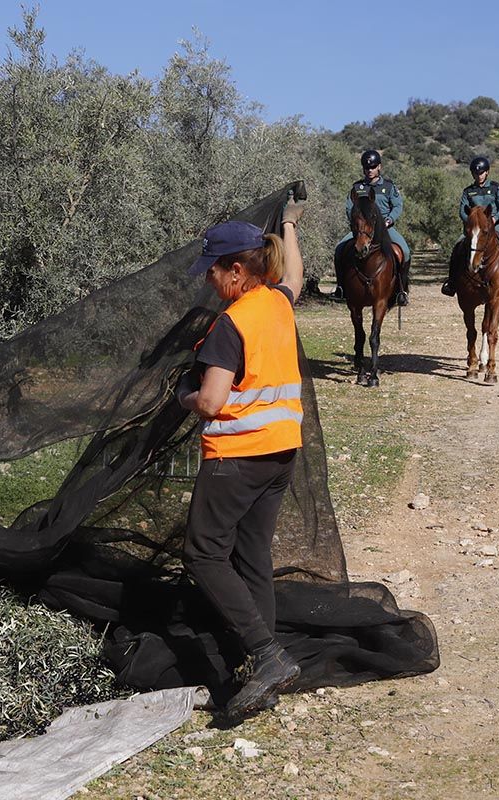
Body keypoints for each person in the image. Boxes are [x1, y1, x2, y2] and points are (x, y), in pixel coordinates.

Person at [175, 195, 306, 718]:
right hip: (281, 454)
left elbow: (210, 400)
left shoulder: (231, 324)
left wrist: (181, 396)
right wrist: (291, 227)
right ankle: (266, 664)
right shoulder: (276, 302)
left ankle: (266, 654)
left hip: (237, 454)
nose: (208, 279)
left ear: (236, 270)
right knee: (253, 556)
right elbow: (294, 274)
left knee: (203, 553)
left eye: (212, 270)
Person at [333, 149, 412, 305]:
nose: (370, 170)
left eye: (373, 167)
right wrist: (357, 225)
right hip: (362, 230)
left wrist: (389, 220)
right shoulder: (357, 187)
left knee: (406, 252)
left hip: (385, 228)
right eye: (367, 167)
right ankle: (341, 287)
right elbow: (349, 207)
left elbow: (397, 206)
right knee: (339, 249)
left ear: (379, 167)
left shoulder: (389, 187)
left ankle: (401, 291)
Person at [442, 155, 499, 297]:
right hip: (474, 228)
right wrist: (470, 222)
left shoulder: (496, 188)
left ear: (487, 172)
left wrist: (495, 218)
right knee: (457, 247)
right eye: (475, 173)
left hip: (494, 225)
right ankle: (451, 283)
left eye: (481, 173)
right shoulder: (468, 191)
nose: (478, 176)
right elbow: (463, 210)